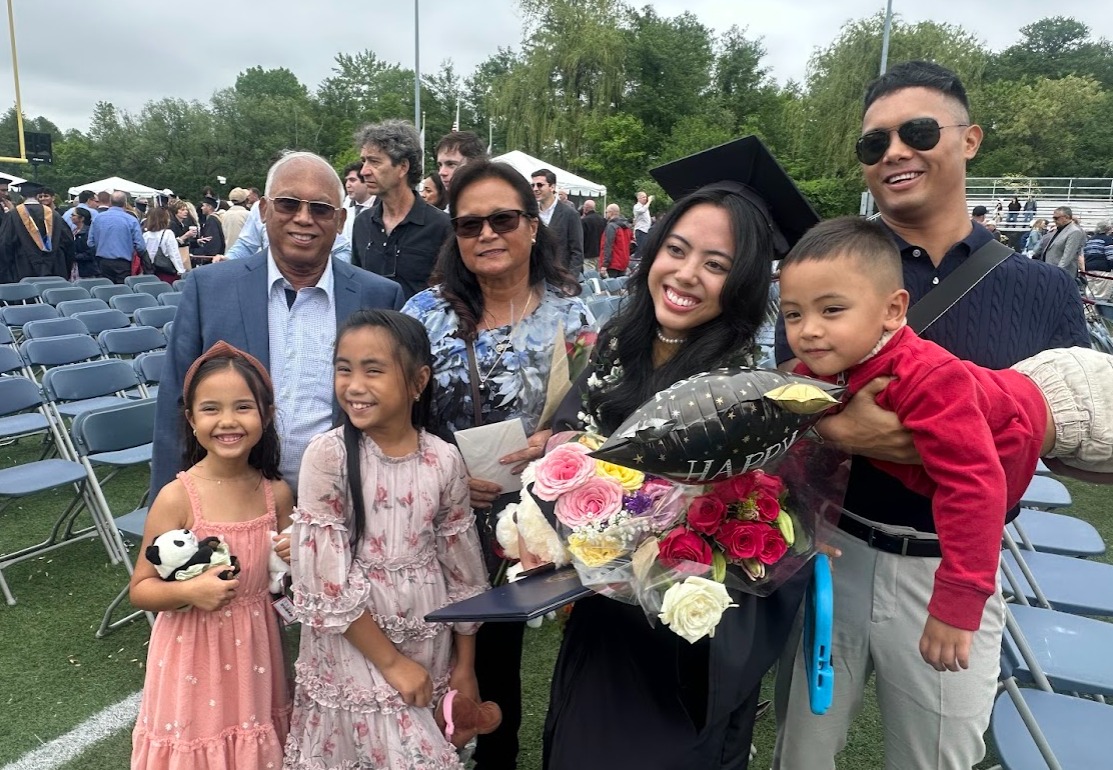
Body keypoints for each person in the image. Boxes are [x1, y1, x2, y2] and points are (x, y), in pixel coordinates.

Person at [771, 60, 1089, 770]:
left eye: (915, 131)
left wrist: (961, 441)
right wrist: (835, 431)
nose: (892, 152)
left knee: (935, 760)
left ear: (968, 138)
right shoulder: (831, 270)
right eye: (872, 142)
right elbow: (784, 399)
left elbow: (1079, 432)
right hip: (834, 552)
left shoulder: (1041, 289)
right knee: (800, 751)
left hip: (956, 565)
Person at [539, 136, 820, 770]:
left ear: (744, 282)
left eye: (717, 264)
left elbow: (774, 531)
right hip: (601, 632)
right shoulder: (614, 348)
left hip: (689, 642)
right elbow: (563, 451)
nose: (687, 274)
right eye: (677, 249)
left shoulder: (753, 394)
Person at [401, 159, 594, 770]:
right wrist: (445, 472)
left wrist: (556, 439)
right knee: (429, 659)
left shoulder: (573, 315)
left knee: (498, 665)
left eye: (503, 219)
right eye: (468, 224)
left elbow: (599, 418)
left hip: (528, 525)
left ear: (533, 225)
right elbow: (385, 414)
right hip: (434, 517)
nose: (486, 234)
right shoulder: (423, 314)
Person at [283, 309, 489, 768]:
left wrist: (465, 665)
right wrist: (392, 664)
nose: (354, 385)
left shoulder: (443, 459)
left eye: (373, 370)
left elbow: (462, 570)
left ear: (418, 382)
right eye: (344, 368)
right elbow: (324, 582)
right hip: (352, 639)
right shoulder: (327, 455)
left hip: (426, 634)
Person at [150, 151, 405, 497]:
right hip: (232, 504)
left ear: (341, 220)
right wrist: (168, 508)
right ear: (264, 211)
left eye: (320, 208)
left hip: (346, 504)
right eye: (288, 204)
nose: (303, 218)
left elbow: (398, 411)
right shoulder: (208, 290)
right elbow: (175, 407)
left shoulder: (380, 297)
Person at [129, 342, 293, 768]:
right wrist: (192, 592)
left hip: (257, 655)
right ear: (190, 419)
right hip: (190, 656)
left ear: (267, 414)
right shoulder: (177, 497)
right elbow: (141, 589)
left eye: (243, 407)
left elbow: (284, 576)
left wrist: (297, 557)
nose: (227, 421)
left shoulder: (275, 493)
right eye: (210, 409)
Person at [351, 120, 453, 300]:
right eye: (363, 161)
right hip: (372, 326)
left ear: (403, 167)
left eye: (374, 162)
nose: (364, 171)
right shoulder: (362, 222)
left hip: (420, 327)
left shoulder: (441, 226)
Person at [0, 193, 75, 282]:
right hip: (55, 267)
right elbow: (69, 242)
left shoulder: (12, 215)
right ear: (38, 196)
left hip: (22, 267)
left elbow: (5, 244)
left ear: (23, 197)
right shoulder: (55, 215)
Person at [87, 191, 149, 283]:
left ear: (110, 202)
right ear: (125, 203)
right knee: (123, 291)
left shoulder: (98, 218)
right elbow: (140, 246)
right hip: (123, 263)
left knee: (105, 291)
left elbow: (90, 242)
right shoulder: (131, 220)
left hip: (103, 261)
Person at [531, 168, 584, 275]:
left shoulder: (570, 214)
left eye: (540, 185)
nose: (535, 189)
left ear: (552, 187)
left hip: (560, 278)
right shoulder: (531, 214)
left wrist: (570, 280)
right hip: (536, 277)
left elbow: (577, 252)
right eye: (533, 185)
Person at [1034, 205, 1087, 276]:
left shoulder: (1074, 231)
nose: (1054, 220)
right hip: (1049, 270)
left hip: (1061, 274)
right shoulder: (1058, 229)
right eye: (1053, 218)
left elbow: (1067, 256)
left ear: (1066, 217)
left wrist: (1057, 273)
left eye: (1056, 218)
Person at [142, 206, 187, 283]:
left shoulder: (145, 235)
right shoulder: (168, 234)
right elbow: (174, 253)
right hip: (166, 271)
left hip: (151, 269)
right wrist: (181, 270)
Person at [436, 131, 488, 197]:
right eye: (440, 165)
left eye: (451, 164)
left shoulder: (497, 203)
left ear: (475, 165)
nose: (441, 172)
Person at [341, 162, 375, 243]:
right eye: (347, 181)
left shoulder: (381, 207)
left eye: (352, 180)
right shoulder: (345, 203)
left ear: (366, 182)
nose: (347, 185)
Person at [599, 203, 632, 278]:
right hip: (623, 262)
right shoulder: (627, 227)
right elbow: (631, 245)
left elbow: (608, 246)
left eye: (606, 212)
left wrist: (605, 264)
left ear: (611, 213)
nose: (606, 214)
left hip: (613, 264)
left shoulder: (611, 226)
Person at [1082, 220, 1113, 299]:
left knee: (1089, 295)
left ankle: (1088, 311)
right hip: (1102, 271)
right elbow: (1111, 256)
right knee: (1101, 296)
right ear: (1108, 229)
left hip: (1089, 270)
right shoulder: (1108, 240)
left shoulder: (1090, 240)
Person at [192, 196, 226, 262]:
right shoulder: (216, 218)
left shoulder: (212, 220)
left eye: (203, 206)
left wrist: (208, 256)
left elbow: (212, 240)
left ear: (209, 207)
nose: (201, 208)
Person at [71, 207, 98, 278]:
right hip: (76, 267)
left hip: (87, 268)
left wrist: (75, 256)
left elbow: (91, 251)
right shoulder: (74, 231)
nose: (71, 217)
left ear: (82, 218)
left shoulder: (88, 232)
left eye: (73, 215)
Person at [580, 199, 606, 269]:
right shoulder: (603, 220)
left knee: (589, 276)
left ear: (585, 208)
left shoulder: (584, 221)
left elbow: (581, 237)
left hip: (588, 254)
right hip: (600, 253)